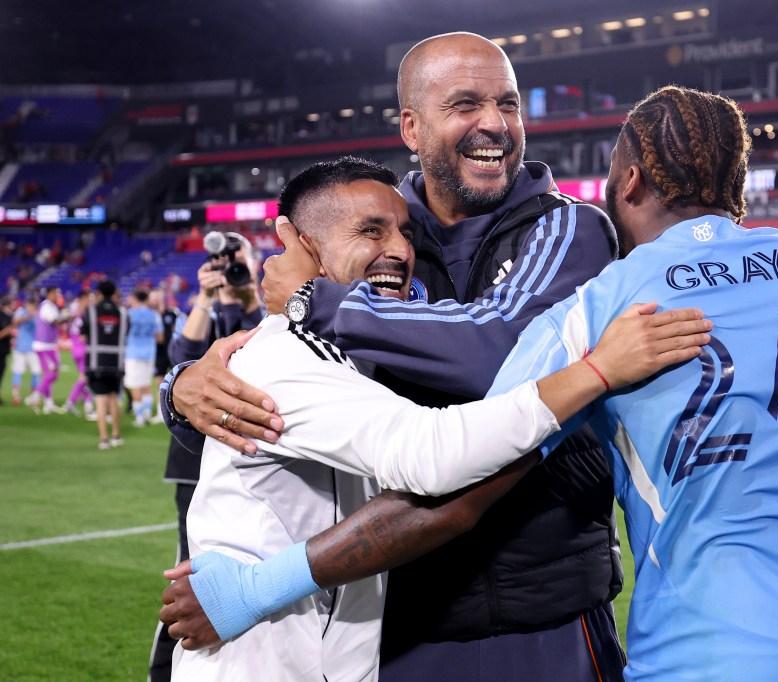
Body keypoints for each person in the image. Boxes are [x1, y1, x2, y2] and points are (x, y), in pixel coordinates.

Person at [164, 86, 778, 682]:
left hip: (707, 649)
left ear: (627, 180)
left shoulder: (608, 302)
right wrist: (182, 383)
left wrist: (256, 588)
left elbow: (456, 490)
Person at [164, 32, 630, 681]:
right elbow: (282, 354)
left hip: (542, 615)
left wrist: (314, 300)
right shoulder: (369, 226)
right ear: (412, 125)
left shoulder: (566, 228)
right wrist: (183, 385)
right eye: (466, 104)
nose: (494, 124)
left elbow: (501, 348)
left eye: (509, 103)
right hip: (396, 622)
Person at [148, 234, 264, 682]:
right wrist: (203, 297)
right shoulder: (201, 309)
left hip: (253, 460)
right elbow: (179, 361)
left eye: (241, 259)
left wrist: (246, 291)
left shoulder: (268, 309)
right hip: (195, 464)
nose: (232, 266)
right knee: (190, 578)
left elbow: (267, 343)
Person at [84, 280, 125, 449]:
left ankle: (104, 439)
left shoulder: (91, 311)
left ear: (99, 293)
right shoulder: (122, 312)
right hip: (117, 363)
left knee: (100, 401)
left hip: (96, 362)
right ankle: (116, 435)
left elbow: (83, 332)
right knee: (114, 399)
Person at [124, 289, 163, 427]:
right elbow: (160, 338)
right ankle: (146, 413)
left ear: (135, 299)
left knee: (135, 385)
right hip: (149, 352)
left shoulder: (129, 314)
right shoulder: (154, 315)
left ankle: (140, 417)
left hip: (133, 353)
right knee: (146, 384)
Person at [63, 289, 94, 416]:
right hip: (83, 349)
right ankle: (70, 402)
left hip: (75, 349)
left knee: (86, 378)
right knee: (85, 378)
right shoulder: (84, 315)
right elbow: (83, 336)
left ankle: (88, 403)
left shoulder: (75, 313)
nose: (91, 301)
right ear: (84, 299)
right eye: (89, 299)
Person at [33, 287, 63, 414]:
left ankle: (48, 403)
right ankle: (36, 395)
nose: (58, 295)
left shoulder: (52, 306)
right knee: (51, 374)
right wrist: (66, 316)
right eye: (56, 293)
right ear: (50, 293)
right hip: (44, 346)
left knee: (50, 374)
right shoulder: (46, 306)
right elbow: (53, 320)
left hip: (49, 345)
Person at [9, 298, 40, 406]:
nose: (31, 307)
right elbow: (14, 322)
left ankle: (34, 396)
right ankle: (16, 395)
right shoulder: (21, 311)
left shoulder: (38, 314)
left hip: (34, 347)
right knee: (17, 371)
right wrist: (27, 317)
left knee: (36, 372)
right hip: (20, 347)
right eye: (29, 305)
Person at [0, 297, 13, 403]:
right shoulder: (3, 317)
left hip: (3, 351)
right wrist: (7, 331)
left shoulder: (7, 317)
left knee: (1, 373)